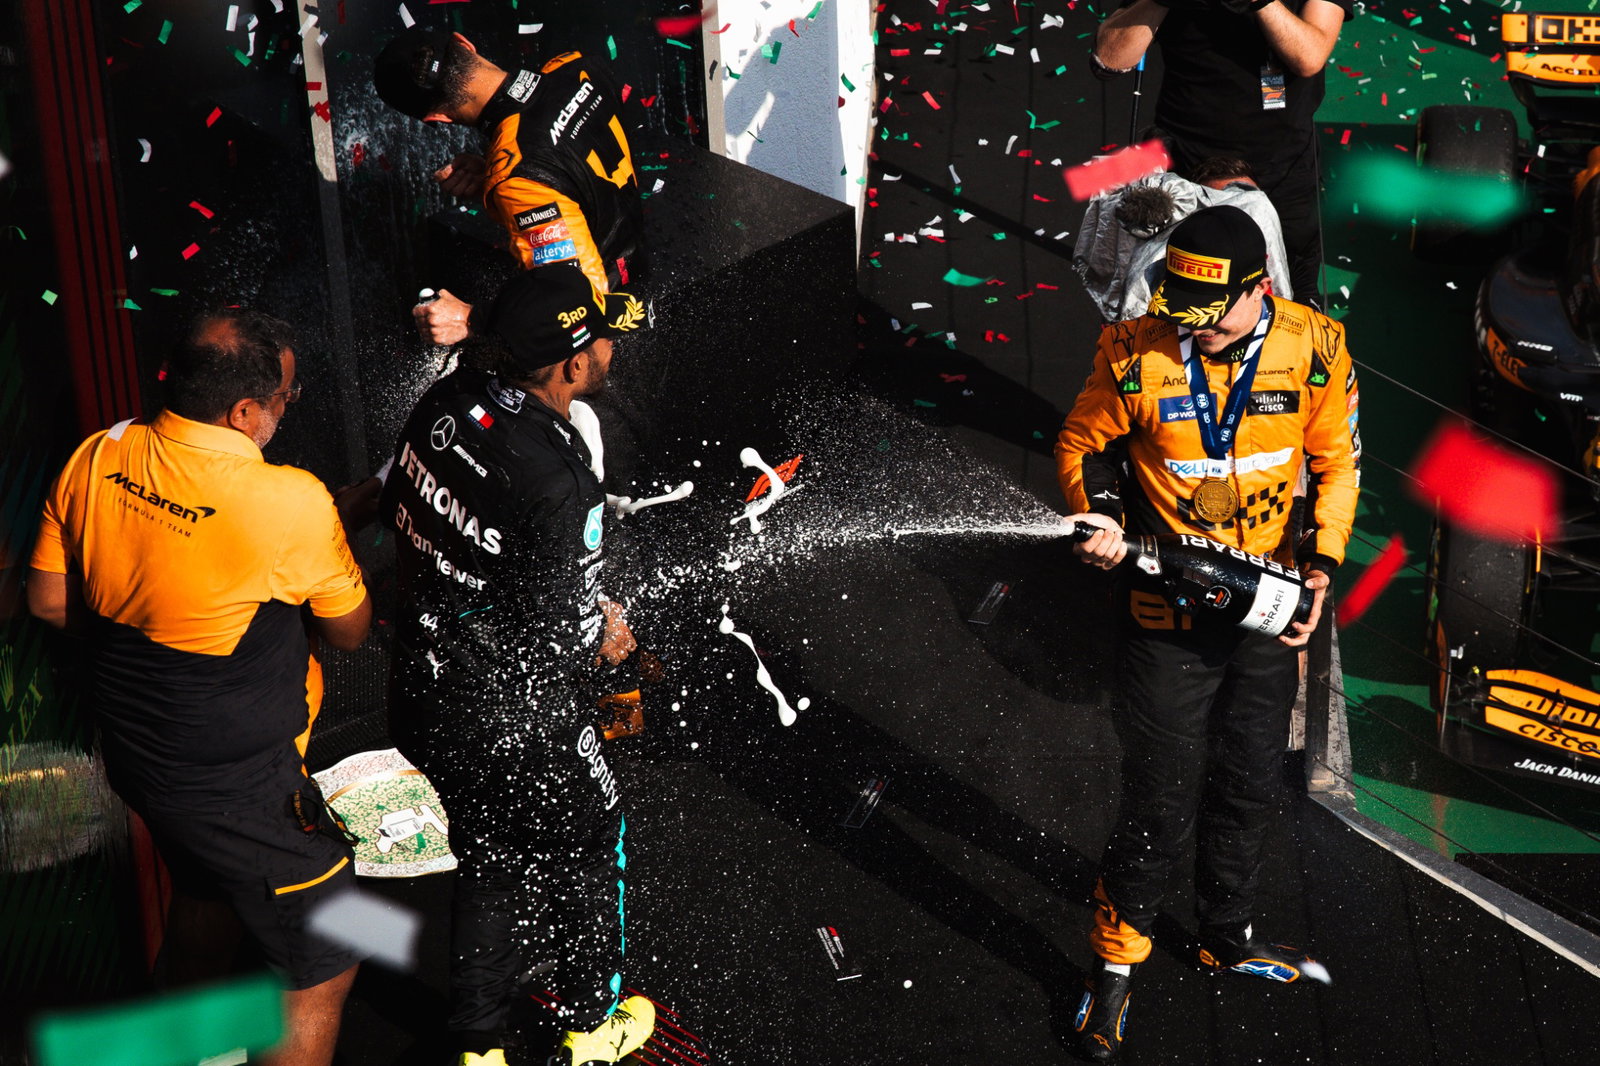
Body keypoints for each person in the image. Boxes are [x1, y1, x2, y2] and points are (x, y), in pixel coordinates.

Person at [27, 308, 373, 1066]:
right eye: (284, 398)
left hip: (141, 760)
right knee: (331, 949)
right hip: (236, 785)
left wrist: (153, 616)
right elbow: (349, 631)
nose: (286, 408)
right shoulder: (289, 499)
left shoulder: (99, 451)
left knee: (206, 892)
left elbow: (48, 601)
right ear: (245, 411)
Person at [1054, 205, 1359, 1062]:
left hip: (1264, 606)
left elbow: (1337, 463)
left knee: (1251, 781)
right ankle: (1115, 966)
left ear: (1259, 288)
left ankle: (1227, 934)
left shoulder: (1317, 348)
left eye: (1208, 312)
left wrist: (1322, 566)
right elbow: (1083, 446)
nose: (1191, 326)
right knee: (1159, 796)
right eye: (1179, 308)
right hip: (1165, 615)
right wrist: (1099, 515)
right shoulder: (1131, 349)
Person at [380, 263, 655, 1066]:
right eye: (601, 338)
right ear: (571, 364)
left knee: (490, 850)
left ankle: (478, 1046)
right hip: (512, 713)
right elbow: (567, 635)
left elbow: (402, 507)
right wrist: (607, 632)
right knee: (593, 837)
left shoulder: (447, 398)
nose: (611, 348)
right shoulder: (561, 479)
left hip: (423, 689)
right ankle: (592, 1028)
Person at [374, 26, 645, 350]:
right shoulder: (576, 64)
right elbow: (579, 166)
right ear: (465, 43)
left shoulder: (517, 176)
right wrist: (499, 184)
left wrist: (472, 320)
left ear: (437, 118)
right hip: (648, 263)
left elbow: (579, 307)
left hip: (610, 335)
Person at [1092, 0, 1353, 304]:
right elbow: (1109, 58)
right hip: (1188, 160)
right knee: (1177, 289)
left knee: (1291, 291)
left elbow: (1309, 56)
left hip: (1282, 165)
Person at [1074, 156, 1292, 323]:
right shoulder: (1152, 264)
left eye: (1243, 197)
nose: (1240, 208)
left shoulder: (1265, 224)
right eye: (1221, 202)